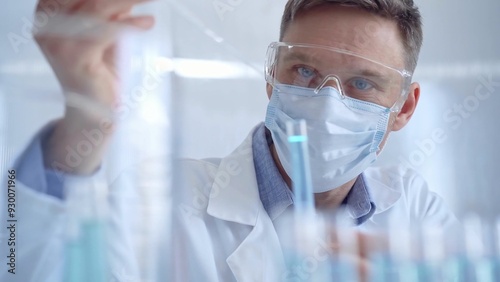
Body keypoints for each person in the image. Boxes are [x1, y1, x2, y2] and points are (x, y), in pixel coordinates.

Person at [6, 0, 461, 281]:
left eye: (362, 84)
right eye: (304, 71)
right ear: (272, 77)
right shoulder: (159, 196)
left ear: (404, 108)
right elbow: (24, 269)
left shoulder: (416, 212)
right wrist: (88, 121)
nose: (327, 104)